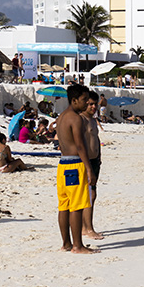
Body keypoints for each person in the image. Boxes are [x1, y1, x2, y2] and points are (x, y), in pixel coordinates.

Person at [56, 84, 97, 254]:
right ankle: (77, 246)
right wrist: (89, 169)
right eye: (84, 100)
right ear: (74, 100)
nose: (87, 103)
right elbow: (80, 146)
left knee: (64, 205)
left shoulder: (61, 117)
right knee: (77, 206)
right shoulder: (75, 118)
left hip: (63, 165)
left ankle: (66, 243)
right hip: (75, 164)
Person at [80, 97, 104, 240]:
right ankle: (88, 228)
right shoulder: (81, 120)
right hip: (86, 161)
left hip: (95, 160)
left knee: (91, 195)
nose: (93, 107)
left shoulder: (92, 120)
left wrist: (99, 157)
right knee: (90, 195)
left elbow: (96, 139)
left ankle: (85, 227)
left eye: (95, 104)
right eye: (90, 104)